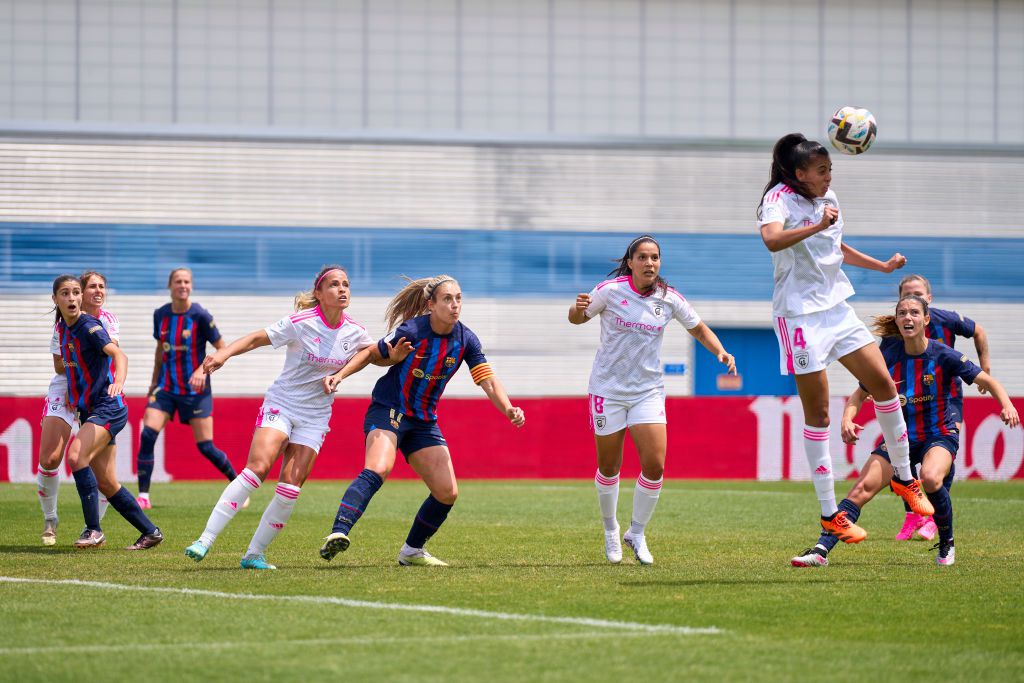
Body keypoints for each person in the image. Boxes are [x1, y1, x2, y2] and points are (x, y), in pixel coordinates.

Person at [757, 133, 930, 555]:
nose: (829, 175)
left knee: (885, 387)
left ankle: (905, 479)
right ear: (799, 175)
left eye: (830, 168)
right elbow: (772, 239)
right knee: (817, 414)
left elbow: (834, 247)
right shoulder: (777, 200)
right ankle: (830, 512)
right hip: (799, 317)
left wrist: (882, 265)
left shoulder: (828, 196)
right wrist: (817, 224)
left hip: (836, 309)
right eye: (821, 170)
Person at [183, 265, 390, 569]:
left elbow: (373, 354)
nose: (342, 289)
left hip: (316, 415)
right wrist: (223, 355)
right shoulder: (301, 322)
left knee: (291, 487)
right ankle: (205, 539)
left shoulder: (355, 331)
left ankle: (254, 554)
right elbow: (256, 338)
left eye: (346, 284)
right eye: (334, 284)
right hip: (283, 403)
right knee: (257, 470)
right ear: (319, 293)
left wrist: (397, 354)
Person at [791, 295, 1019, 567]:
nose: (907, 318)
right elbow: (858, 395)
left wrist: (1006, 405)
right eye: (902, 313)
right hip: (899, 440)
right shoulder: (887, 356)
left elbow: (987, 380)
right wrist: (847, 419)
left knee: (931, 478)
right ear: (897, 321)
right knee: (861, 489)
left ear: (926, 319)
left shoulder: (944, 354)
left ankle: (946, 542)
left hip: (938, 434)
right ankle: (821, 550)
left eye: (913, 313)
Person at [318, 274, 525, 567]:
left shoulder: (466, 339)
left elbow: (486, 379)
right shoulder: (413, 330)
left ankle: (412, 551)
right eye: (447, 299)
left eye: (459, 299)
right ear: (431, 304)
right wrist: (340, 375)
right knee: (378, 468)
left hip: (424, 422)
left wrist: (508, 408)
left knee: (447, 492)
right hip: (390, 409)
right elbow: (370, 354)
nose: (455, 305)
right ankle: (338, 531)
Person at [569, 235, 736, 565]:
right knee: (609, 466)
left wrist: (720, 351)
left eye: (655, 257)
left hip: (648, 391)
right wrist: (576, 309)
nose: (650, 263)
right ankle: (610, 530)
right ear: (630, 263)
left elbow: (699, 328)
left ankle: (637, 532)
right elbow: (577, 319)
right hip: (608, 391)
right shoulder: (610, 291)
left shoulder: (669, 298)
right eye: (643, 257)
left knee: (655, 466)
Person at [51, 274, 163, 550]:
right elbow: (70, 366)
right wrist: (73, 391)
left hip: (108, 407)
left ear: (81, 298)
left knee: (76, 457)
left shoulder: (89, 326)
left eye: (75, 292)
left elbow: (119, 355)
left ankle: (93, 530)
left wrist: (119, 382)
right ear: (55, 299)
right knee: (106, 481)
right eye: (65, 293)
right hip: (89, 410)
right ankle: (150, 532)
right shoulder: (64, 329)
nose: (71, 298)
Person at [883, 274, 991, 541]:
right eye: (907, 295)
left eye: (919, 295)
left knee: (943, 446)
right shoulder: (895, 332)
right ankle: (912, 515)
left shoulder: (945, 319)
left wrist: (984, 368)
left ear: (928, 300)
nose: (913, 299)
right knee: (903, 454)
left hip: (946, 396)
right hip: (911, 398)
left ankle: (933, 517)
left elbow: (979, 330)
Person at [136, 267, 237, 508]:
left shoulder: (200, 315)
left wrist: (202, 370)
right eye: (178, 281)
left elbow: (223, 349)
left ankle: (236, 485)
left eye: (187, 282)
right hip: (166, 388)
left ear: (191, 286)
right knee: (148, 433)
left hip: (196, 391)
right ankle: (144, 497)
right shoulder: (160, 314)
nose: (183, 285)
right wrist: (153, 383)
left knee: (206, 447)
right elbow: (160, 351)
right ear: (170, 285)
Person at [36, 271, 120, 545]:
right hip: (66, 387)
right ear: (81, 292)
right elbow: (59, 365)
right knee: (50, 459)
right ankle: (50, 519)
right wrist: (76, 378)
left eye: (102, 287)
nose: (97, 291)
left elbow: (108, 356)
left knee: (105, 475)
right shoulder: (64, 322)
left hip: (96, 391)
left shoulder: (108, 320)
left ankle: (92, 528)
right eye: (92, 287)